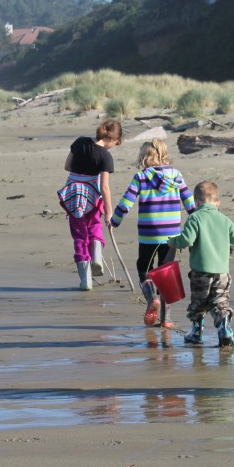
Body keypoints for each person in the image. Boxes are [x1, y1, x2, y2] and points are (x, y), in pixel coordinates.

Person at [110, 139, 195, 327]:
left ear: (144, 157)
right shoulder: (177, 176)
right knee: (166, 274)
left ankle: (151, 300)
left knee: (144, 270)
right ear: (164, 155)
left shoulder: (140, 177)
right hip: (171, 233)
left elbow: (126, 203)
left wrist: (114, 221)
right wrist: (198, 220)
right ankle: (166, 319)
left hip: (148, 233)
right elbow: (189, 202)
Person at [168, 181, 234, 347]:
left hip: (201, 273)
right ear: (218, 203)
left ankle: (196, 332)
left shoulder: (195, 218)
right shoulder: (225, 220)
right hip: (222, 273)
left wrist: (173, 242)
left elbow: (187, 239)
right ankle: (224, 327)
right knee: (220, 303)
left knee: (198, 305)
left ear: (196, 202)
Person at [57, 118, 123, 291]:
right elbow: (105, 187)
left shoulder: (80, 142)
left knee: (79, 236)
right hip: (92, 198)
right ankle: (97, 258)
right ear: (112, 139)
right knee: (94, 226)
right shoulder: (105, 156)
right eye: (116, 143)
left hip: (73, 196)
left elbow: (67, 166)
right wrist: (109, 213)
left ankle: (86, 280)